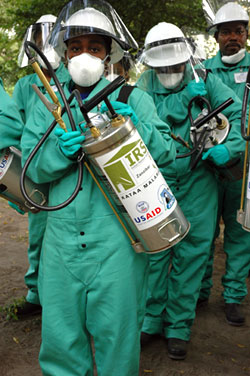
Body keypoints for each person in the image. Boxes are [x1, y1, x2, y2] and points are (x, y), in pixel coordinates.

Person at [21, 1, 176, 374]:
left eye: (94, 47)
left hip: (118, 244)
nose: (84, 56)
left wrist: (141, 131)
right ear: (65, 52)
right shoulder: (50, 102)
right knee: (61, 340)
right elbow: (31, 169)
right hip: (61, 245)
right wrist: (57, 152)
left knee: (117, 338)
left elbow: (167, 154)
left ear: (109, 53)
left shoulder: (131, 97)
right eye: (76, 48)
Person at [136, 22, 244, 360]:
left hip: (199, 179)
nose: (169, 70)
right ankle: (151, 318)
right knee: (156, 252)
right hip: (157, 180)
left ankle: (178, 326)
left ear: (186, 59)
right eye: (162, 65)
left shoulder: (205, 81)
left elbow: (237, 115)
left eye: (175, 64)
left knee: (192, 252)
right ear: (151, 64)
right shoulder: (141, 87)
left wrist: (233, 146)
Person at [11, 14, 70, 317]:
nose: (44, 44)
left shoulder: (72, 80)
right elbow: (16, 131)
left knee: (66, 240)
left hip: (69, 171)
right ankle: (36, 292)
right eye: (38, 39)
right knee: (38, 235)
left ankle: (61, 299)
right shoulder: (24, 85)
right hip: (36, 170)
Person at [198, 2, 250, 326]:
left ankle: (232, 296)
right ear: (217, 36)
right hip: (207, 167)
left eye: (239, 31)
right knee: (203, 232)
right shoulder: (203, 70)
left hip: (244, 169)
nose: (233, 37)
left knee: (240, 232)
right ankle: (199, 291)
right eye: (226, 31)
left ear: (246, 34)